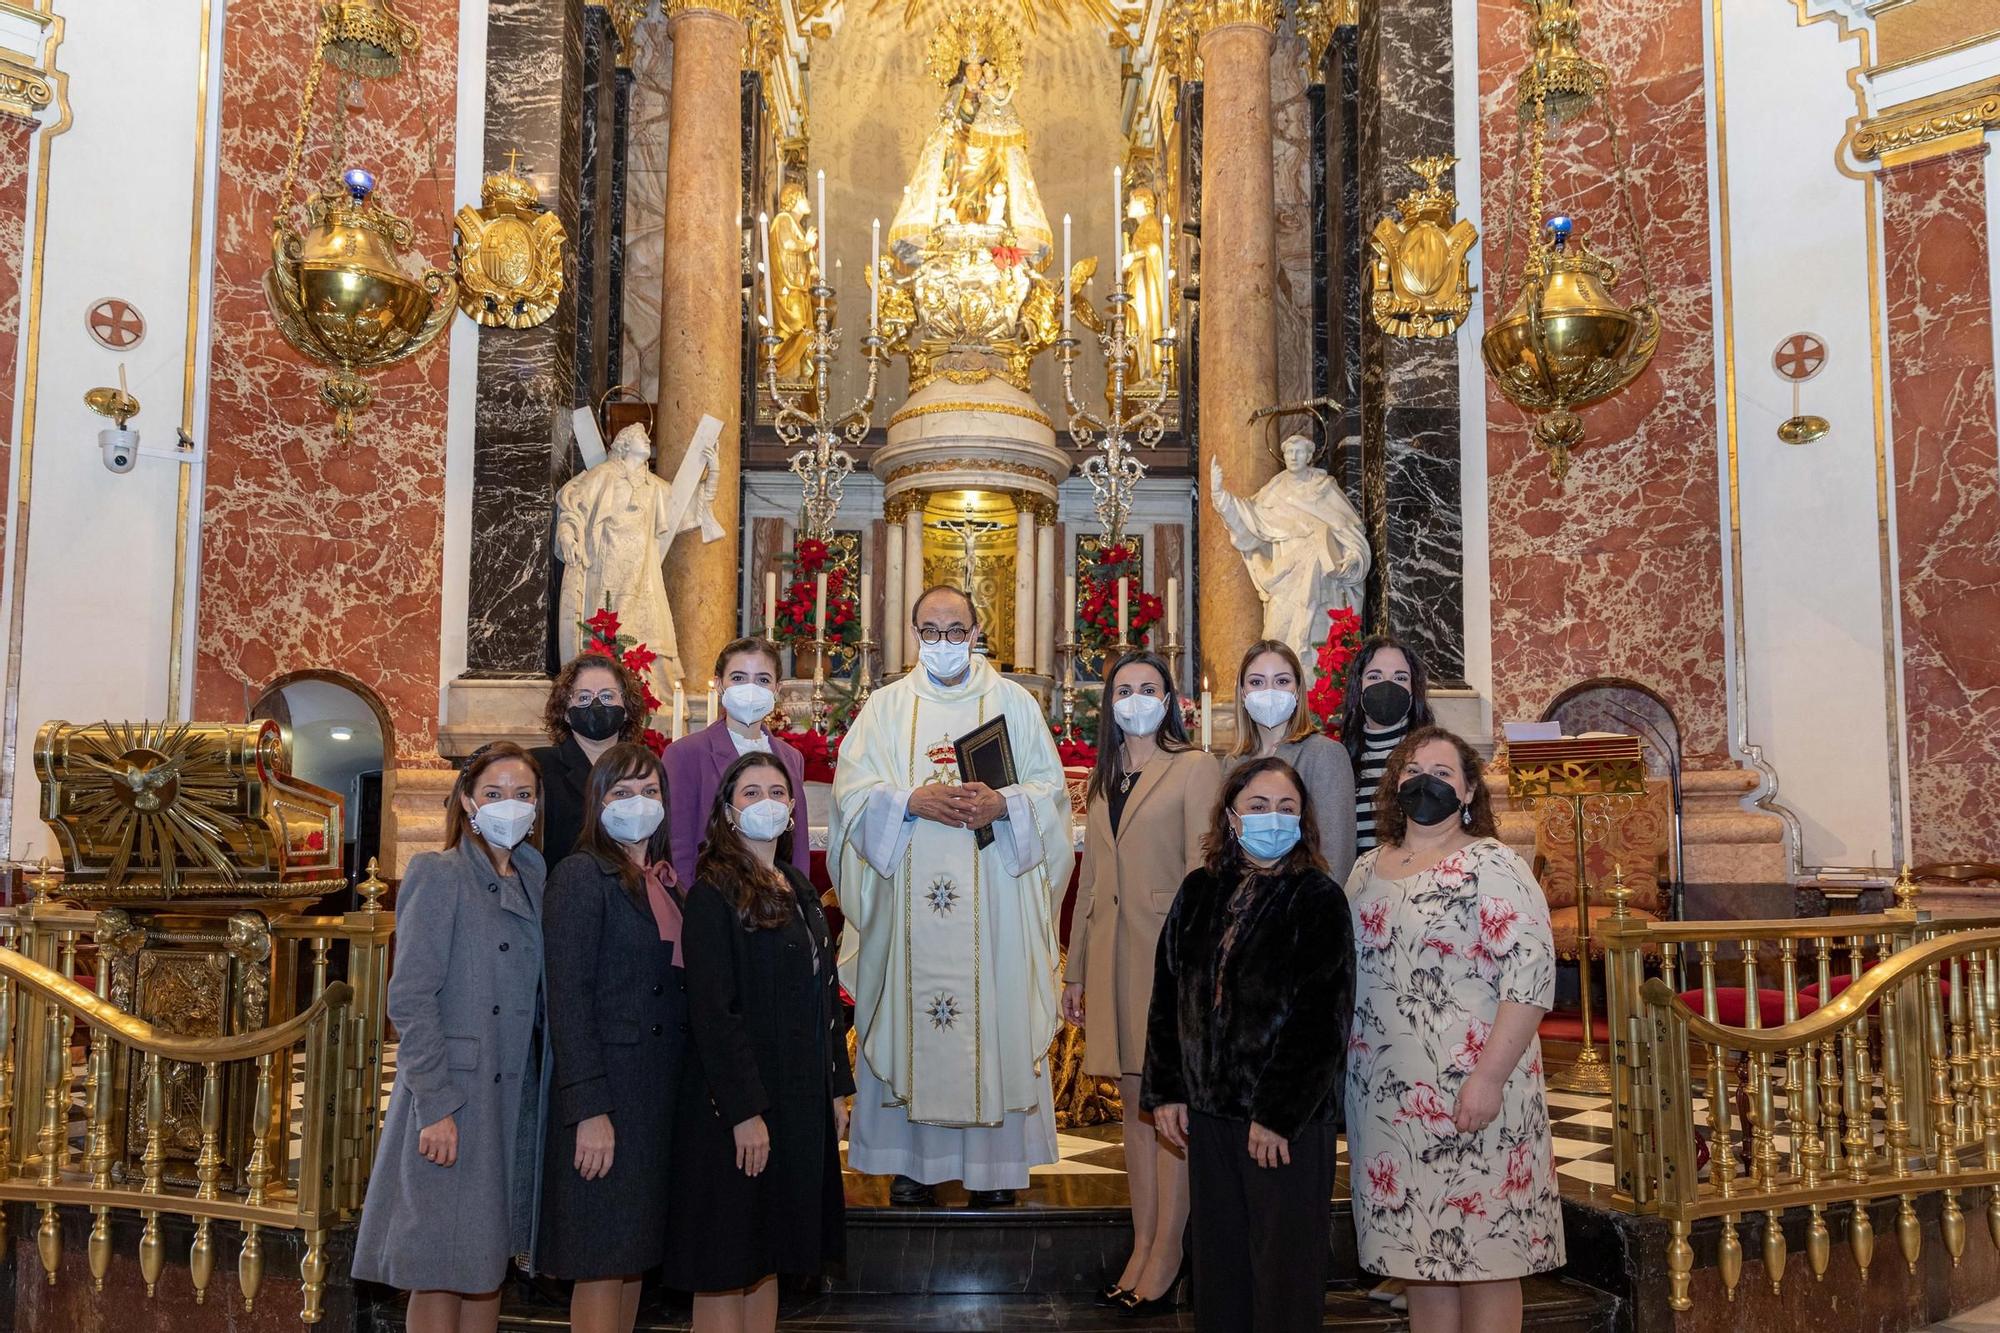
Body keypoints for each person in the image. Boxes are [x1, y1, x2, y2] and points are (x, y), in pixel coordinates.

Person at [829, 584, 1075, 1208]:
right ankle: (913, 1163)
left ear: (975, 631)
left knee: (992, 1014)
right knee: (912, 1020)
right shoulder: (884, 710)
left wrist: (1004, 802)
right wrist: (908, 801)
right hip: (909, 915)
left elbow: (1051, 797)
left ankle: (994, 1171)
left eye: (955, 629)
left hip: (993, 906)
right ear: (914, 636)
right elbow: (850, 798)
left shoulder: (1014, 705)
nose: (944, 642)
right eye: (931, 631)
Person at [1345, 727, 1563, 1333]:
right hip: (1389, 1102)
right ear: (1394, 785)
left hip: (1474, 1091)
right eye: (1413, 770)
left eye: (1443, 773)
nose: (1426, 782)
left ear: (1468, 792)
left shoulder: (1492, 863)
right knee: (1422, 1258)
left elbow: (1530, 978)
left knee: (1486, 1257)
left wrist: (1488, 1078)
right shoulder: (1365, 871)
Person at [1144, 757, 1354, 1333]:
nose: (1273, 819)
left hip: (1284, 1125)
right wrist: (1167, 1091)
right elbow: (1169, 997)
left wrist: (1277, 1116)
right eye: (1259, 807)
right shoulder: (1198, 891)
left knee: (1283, 1275)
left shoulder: (1318, 899)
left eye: (1287, 809)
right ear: (1232, 817)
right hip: (1210, 1116)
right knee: (1220, 1269)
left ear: (1304, 820)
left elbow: (1322, 1022)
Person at [353, 743, 550, 1333]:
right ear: (467, 801)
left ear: (538, 807)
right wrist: (435, 1105)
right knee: (439, 1265)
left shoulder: (536, 876)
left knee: (485, 1263)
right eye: (493, 794)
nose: (508, 806)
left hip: (512, 1094)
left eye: (522, 795)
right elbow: (410, 998)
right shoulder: (437, 875)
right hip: (454, 1097)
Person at [663, 752, 852, 1333]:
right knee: (727, 1262)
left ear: (793, 809)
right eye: (750, 793)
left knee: (767, 1260)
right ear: (726, 809)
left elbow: (825, 995)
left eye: (777, 791)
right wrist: (745, 1112)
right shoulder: (713, 892)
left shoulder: (796, 884)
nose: (766, 802)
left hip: (797, 1101)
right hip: (736, 1109)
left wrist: (837, 1088)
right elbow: (713, 1013)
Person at [1061, 650, 1219, 1314]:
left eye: (1147, 688)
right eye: (1124, 689)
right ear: (1109, 704)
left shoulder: (1194, 768)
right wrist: (1074, 970)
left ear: (1170, 699)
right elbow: (1091, 880)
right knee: (1133, 1108)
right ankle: (1143, 1239)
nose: (1135, 698)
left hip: (1168, 959)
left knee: (1168, 1111)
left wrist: (1195, 968)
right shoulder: (1103, 781)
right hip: (1113, 961)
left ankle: (1170, 1250)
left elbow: (1203, 872)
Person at [539, 743, 684, 1333]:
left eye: (650, 791)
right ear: (597, 803)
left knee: (629, 1262)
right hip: (608, 1098)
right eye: (622, 793)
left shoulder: (664, 883)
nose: (638, 803)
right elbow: (567, 1002)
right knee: (601, 1261)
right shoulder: (580, 875)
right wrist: (590, 1110)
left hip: (652, 1098)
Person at [1208, 434, 1371, 665]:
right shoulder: (1273, 494)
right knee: (1275, 642)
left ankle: (1317, 699)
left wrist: (1354, 555)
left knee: (1317, 654)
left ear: (1309, 456)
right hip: (1284, 581)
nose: (1294, 457)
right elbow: (1246, 520)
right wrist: (1219, 495)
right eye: (1289, 452)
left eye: (1299, 452)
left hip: (1322, 587)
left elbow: (1349, 529)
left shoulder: (1324, 489)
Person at [662, 636, 810, 887]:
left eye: (763, 680)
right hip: (713, 898)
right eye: (739, 678)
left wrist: (798, 896)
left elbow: (797, 843)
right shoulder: (685, 754)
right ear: (720, 685)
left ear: (777, 689)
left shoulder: (790, 758)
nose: (751, 689)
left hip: (776, 896)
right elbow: (678, 844)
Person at [1227, 638, 1358, 884]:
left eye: (1282, 681)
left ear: (1297, 691)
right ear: (1243, 692)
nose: (1269, 692)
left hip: (1303, 907)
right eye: (1257, 682)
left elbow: (1336, 855)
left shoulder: (1324, 754)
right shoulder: (1232, 763)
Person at [533, 651, 652, 863]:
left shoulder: (645, 770)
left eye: (607, 696)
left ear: (625, 709)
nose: (596, 705)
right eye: (584, 697)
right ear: (566, 712)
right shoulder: (539, 767)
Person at [1338, 634, 1434, 857]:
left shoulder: (1432, 756)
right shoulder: (1339, 760)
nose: (1387, 686)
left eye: (1400, 678)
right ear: (1358, 686)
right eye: (1374, 676)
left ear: (1414, 689)